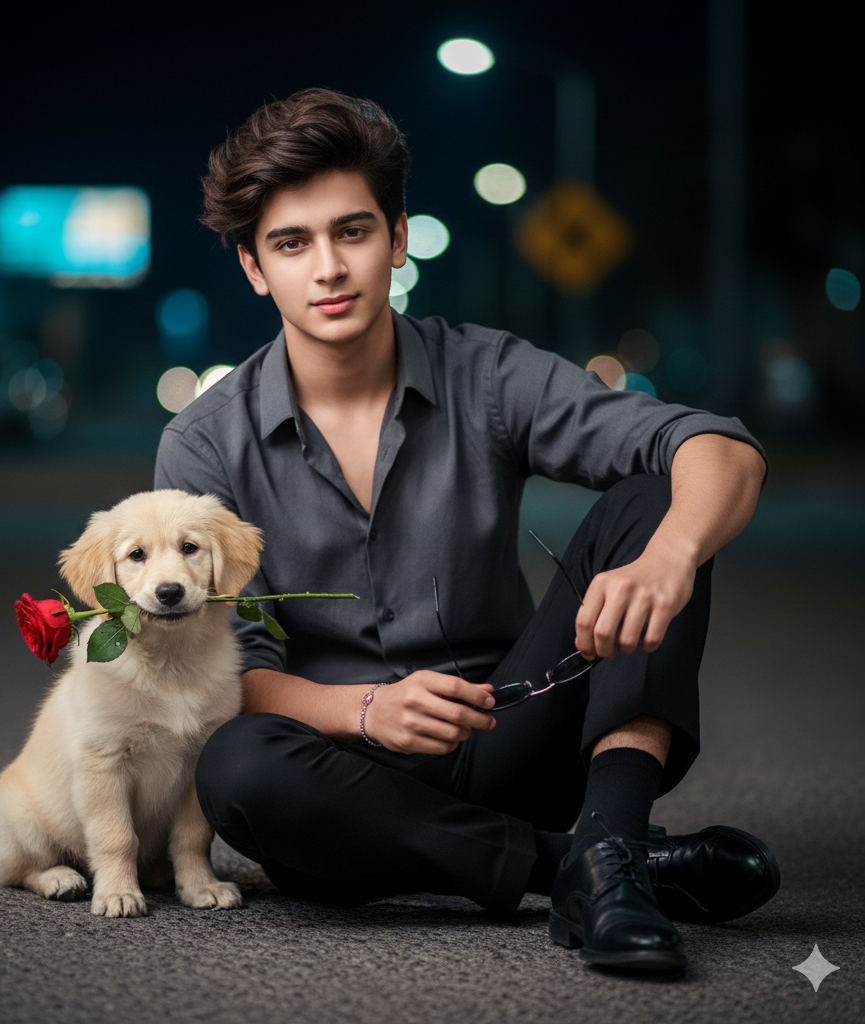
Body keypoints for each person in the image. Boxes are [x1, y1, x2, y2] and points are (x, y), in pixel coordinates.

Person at [155, 88, 779, 973]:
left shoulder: (485, 373)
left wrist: (671, 556)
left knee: (652, 501)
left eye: (352, 231)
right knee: (236, 765)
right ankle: (594, 867)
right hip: (343, 789)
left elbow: (718, 447)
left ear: (397, 238)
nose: (328, 268)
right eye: (292, 244)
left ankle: (608, 834)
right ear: (255, 267)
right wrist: (365, 709)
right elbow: (223, 673)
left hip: (512, 731)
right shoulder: (204, 444)